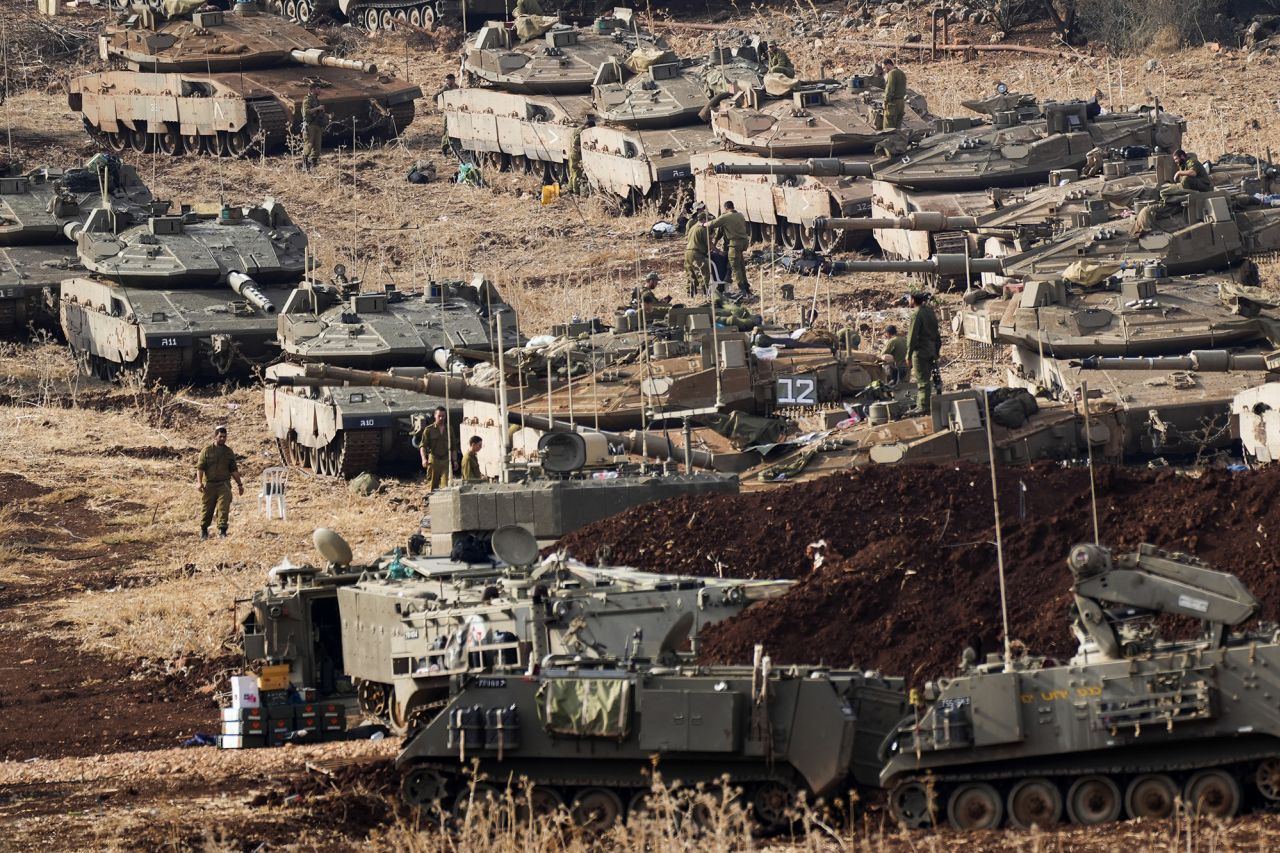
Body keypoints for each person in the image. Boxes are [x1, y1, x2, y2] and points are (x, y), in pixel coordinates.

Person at [196, 425, 244, 540]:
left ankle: (222, 531)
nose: (223, 439)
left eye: (224, 437)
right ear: (215, 437)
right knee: (207, 508)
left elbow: (233, 470)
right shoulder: (207, 451)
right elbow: (200, 468)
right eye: (220, 436)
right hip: (210, 485)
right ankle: (204, 530)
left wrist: (240, 484)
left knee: (223, 508)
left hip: (224, 484)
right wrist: (199, 482)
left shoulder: (228, 452)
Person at [905, 292, 940, 414]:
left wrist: (908, 355)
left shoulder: (917, 313)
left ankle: (924, 407)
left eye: (909, 298)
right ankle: (924, 404)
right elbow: (937, 332)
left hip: (920, 351)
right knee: (930, 379)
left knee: (922, 380)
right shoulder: (930, 311)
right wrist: (937, 350)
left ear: (913, 299)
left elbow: (912, 336)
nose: (908, 300)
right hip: (931, 349)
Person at [710, 201, 751, 293]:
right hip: (742, 244)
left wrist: (714, 245)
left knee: (734, 267)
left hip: (732, 245)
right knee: (739, 265)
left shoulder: (725, 217)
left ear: (725, 208)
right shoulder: (740, 215)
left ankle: (742, 288)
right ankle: (744, 287)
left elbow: (715, 228)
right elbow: (720, 233)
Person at [418, 406, 452, 491]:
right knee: (433, 486)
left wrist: (454, 460)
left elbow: (453, 446)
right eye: (439, 416)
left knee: (446, 486)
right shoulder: (428, 430)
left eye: (443, 416)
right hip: (434, 460)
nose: (441, 418)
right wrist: (423, 459)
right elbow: (423, 446)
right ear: (435, 415)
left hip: (445, 460)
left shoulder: (449, 429)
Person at [684, 208, 712, 296]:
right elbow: (709, 243)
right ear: (704, 219)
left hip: (688, 253)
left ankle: (690, 294)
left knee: (691, 274)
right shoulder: (702, 228)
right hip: (696, 253)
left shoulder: (692, 227)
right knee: (703, 273)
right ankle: (707, 294)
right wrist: (719, 251)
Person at [300, 83, 325, 171]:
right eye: (318, 89)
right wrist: (318, 108)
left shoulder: (316, 100)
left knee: (317, 145)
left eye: (319, 89)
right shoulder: (307, 100)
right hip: (310, 125)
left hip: (317, 124)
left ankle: (313, 164)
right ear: (312, 90)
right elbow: (306, 112)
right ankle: (304, 164)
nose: (319, 90)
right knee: (309, 144)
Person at [568, 115, 593, 195]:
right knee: (576, 172)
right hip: (575, 154)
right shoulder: (581, 132)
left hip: (572, 153)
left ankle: (570, 188)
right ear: (587, 126)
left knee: (572, 172)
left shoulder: (578, 129)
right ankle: (576, 191)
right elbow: (575, 145)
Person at [880, 57, 906, 131]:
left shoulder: (892, 73)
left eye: (884, 68)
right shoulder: (901, 73)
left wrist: (885, 102)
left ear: (888, 65)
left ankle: (889, 142)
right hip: (901, 104)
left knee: (888, 129)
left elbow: (889, 89)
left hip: (893, 105)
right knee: (897, 129)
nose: (884, 70)